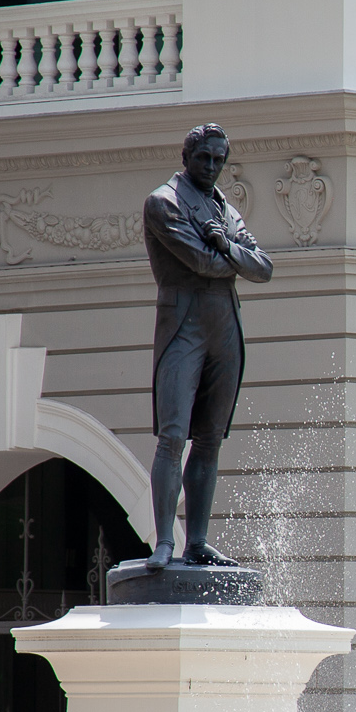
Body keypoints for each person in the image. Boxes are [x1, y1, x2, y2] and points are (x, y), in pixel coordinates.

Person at [140, 123, 274, 570]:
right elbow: (199, 261)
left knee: (210, 439)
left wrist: (224, 244)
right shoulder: (164, 202)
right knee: (173, 436)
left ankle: (197, 541)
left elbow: (264, 268)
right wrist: (231, 253)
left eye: (219, 159)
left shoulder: (226, 211)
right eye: (204, 158)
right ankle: (164, 542)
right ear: (186, 158)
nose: (212, 166)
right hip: (184, 326)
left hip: (225, 328)